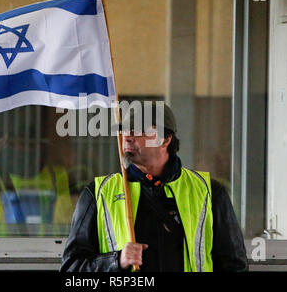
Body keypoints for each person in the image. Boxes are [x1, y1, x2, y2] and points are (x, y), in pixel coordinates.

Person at [60, 102, 248, 272]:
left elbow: (234, 265)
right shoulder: (98, 193)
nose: (127, 137)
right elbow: (71, 268)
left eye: (139, 130)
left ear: (166, 139)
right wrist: (115, 261)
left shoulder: (210, 192)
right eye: (125, 130)